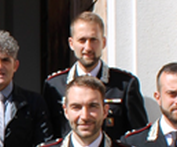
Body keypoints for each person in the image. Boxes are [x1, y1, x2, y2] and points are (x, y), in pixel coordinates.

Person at [43, 12, 148, 140]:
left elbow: (138, 136)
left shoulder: (125, 85)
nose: (88, 47)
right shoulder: (54, 85)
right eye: (82, 40)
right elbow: (48, 136)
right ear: (71, 43)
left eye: (93, 40)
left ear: (103, 42)